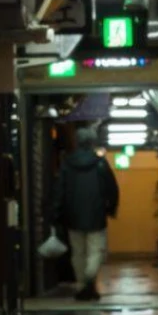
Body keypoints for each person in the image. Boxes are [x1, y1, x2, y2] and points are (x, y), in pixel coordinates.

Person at [47, 123, 121, 301]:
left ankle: (82, 286)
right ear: (92, 142)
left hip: (72, 216)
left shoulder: (67, 165)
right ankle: (89, 278)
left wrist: (56, 213)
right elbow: (112, 188)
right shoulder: (100, 164)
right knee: (96, 250)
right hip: (96, 215)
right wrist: (111, 208)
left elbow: (60, 190)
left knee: (78, 252)